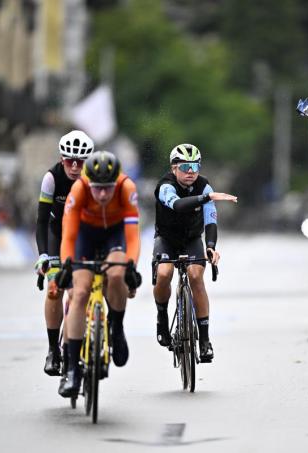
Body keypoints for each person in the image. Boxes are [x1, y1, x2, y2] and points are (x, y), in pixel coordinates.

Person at [58, 151, 141, 397]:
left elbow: (133, 236)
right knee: (80, 292)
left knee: (116, 275)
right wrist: (66, 266)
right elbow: (69, 236)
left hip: (114, 234)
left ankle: (116, 327)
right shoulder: (79, 189)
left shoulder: (127, 188)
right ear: (89, 183)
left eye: (107, 188)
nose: (103, 194)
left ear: (115, 182)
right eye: (97, 189)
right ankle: (72, 369)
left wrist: (131, 267)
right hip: (85, 234)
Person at [153, 144, 237, 363]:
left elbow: (210, 220)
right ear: (174, 169)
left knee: (196, 276)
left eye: (195, 166)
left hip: (191, 239)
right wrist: (206, 198)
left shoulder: (204, 186)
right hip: (167, 239)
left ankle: (205, 341)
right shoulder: (165, 186)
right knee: (163, 274)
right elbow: (179, 205)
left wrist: (210, 246)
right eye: (185, 166)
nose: (191, 171)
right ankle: (162, 319)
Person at [34, 130, 93, 377]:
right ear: (62, 158)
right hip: (57, 235)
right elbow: (40, 221)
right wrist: (43, 255)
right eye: (70, 160)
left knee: (79, 290)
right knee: (55, 289)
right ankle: (52, 350)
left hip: (84, 235)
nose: (75, 166)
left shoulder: (94, 179)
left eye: (80, 161)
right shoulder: (52, 178)